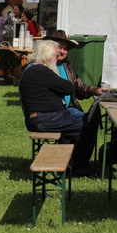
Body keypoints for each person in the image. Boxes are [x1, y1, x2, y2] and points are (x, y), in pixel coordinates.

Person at [19, 39, 95, 177]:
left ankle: (69, 162)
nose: (57, 59)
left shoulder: (31, 68)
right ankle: (78, 167)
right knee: (87, 126)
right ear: (47, 56)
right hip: (46, 118)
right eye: (55, 56)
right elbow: (68, 87)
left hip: (47, 116)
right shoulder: (41, 70)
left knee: (84, 120)